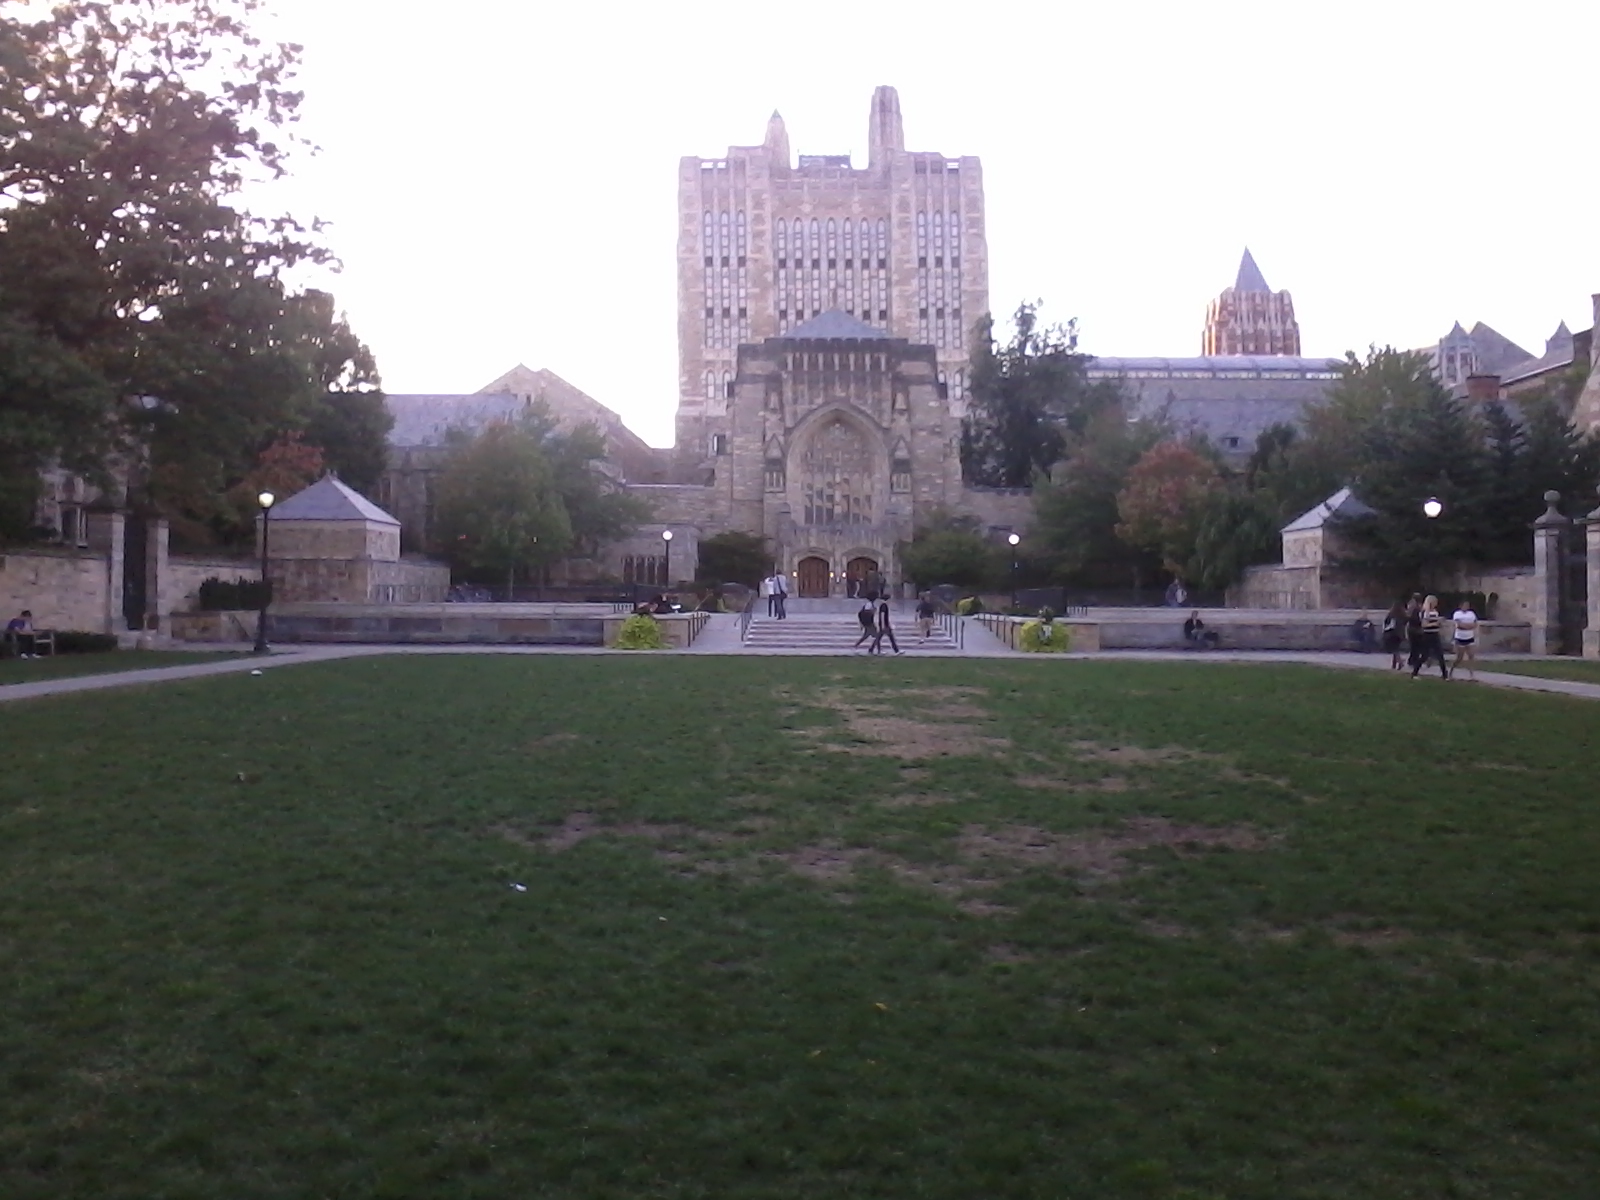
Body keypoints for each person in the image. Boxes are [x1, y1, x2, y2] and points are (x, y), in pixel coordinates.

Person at [1410, 594, 1450, 679]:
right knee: (1424, 655)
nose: (1436, 603)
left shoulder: (1435, 611)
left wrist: (1440, 623)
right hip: (1427, 635)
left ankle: (1445, 675)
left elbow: (1435, 621)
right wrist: (1436, 623)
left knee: (1440, 655)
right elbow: (1424, 625)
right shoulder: (1425, 612)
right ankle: (1414, 673)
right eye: (1435, 602)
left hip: (1435, 634)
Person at [1449, 598, 1480, 681]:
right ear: (1461, 606)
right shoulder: (1457, 614)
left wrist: (1467, 626)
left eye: (1468, 605)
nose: (1466, 607)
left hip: (1470, 637)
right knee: (1459, 657)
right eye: (1465, 605)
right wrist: (1468, 626)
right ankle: (1451, 672)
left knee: (1471, 656)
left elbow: (1475, 624)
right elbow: (1459, 625)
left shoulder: (1471, 614)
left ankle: (1472, 675)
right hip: (1460, 637)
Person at [1381, 602, 1407, 671]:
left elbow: (1388, 624)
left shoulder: (1391, 614)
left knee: (1394, 650)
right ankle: (1394, 665)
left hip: (1392, 633)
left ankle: (1400, 662)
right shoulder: (1403, 615)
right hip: (1400, 634)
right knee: (1396, 649)